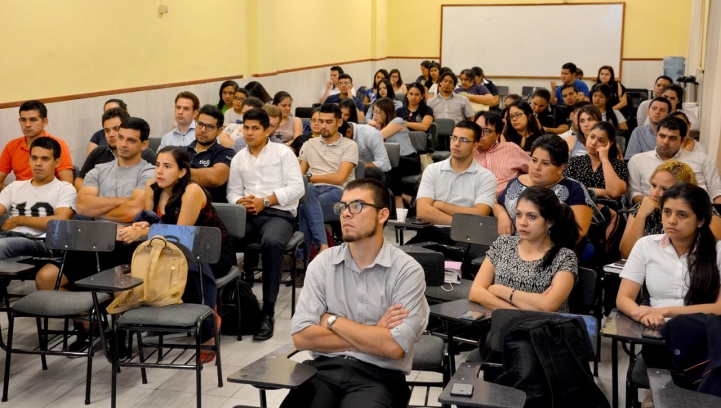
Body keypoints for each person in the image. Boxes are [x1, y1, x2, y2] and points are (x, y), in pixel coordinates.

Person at [282, 178, 429, 408]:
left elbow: (393, 347)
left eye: (357, 206)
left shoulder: (407, 271)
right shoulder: (323, 263)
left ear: (382, 215)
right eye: (342, 207)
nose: (346, 214)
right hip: (322, 371)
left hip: (379, 377)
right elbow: (302, 337)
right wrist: (374, 334)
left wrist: (331, 320)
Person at [120, 146, 236, 350]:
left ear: (182, 171)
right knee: (129, 262)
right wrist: (143, 226)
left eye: (167, 166)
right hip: (170, 249)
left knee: (188, 267)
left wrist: (145, 232)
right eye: (157, 165)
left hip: (209, 251)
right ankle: (128, 325)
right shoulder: (152, 187)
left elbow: (180, 236)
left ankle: (208, 327)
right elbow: (152, 221)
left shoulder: (192, 191)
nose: (159, 171)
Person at [36, 117, 155, 290]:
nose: (122, 144)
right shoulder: (99, 170)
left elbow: (133, 212)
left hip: (128, 244)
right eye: (121, 137)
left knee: (117, 287)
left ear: (144, 145)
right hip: (94, 241)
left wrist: (97, 209)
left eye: (131, 140)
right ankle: (85, 316)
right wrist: (122, 200)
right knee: (45, 279)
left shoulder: (149, 172)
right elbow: (82, 206)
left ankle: (96, 312)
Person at [617, 183, 721, 368]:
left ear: (700, 220)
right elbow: (624, 298)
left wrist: (663, 311)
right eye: (667, 212)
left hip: (705, 336)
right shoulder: (646, 245)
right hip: (659, 335)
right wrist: (641, 314)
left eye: (682, 215)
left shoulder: (718, 251)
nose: (671, 220)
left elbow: (719, 308)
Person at [226, 108, 305, 340]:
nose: (249, 133)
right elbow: (232, 192)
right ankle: (237, 301)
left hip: (278, 214)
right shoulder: (239, 158)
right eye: (246, 128)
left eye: (255, 128)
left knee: (271, 242)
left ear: (267, 130)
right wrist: (242, 201)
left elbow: (297, 188)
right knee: (223, 240)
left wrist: (266, 200)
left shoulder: (283, 153)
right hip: (249, 214)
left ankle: (267, 313)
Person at [407, 120, 497, 278]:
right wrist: (461, 221)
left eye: (463, 140)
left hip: (469, 237)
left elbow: (480, 214)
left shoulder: (486, 177)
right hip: (432, 232)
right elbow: (423, 211)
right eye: (453, 138)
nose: (456, 143)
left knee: (476, 264)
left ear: (475, 145)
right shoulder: (433, 170)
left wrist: (440, 205)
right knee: (405, 258)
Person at [470, 186, 579, 313]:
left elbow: (548, 305)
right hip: (502, 326)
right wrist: (516, 312)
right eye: (518, 214)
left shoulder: (564, 256)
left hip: (543, 330)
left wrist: (499, 290)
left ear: (549, 221)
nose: (522, 222)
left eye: (532, 217)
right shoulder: (503, 243)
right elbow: (476, 292)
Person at [496, 134, 595, 239]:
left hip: (554, 249)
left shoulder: (574, 189)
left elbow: (579, 232)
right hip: (512, 245)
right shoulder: (516, 182)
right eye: (534, 160)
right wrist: (502, 215)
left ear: (560, 168)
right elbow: (497, 204)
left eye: (545, 163)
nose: (536, 167)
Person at [619, 160, 721, 258]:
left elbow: (714, 253)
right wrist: (641, 215)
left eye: (664, 189)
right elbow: (627, 254)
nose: (655, 193)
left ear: (681, 190)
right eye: (653, 185)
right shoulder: (642, 207)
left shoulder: (704, 210)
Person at [0, 137, 76, 266]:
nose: (38, 163)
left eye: (44, 159)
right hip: (8, 236)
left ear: (57, 162)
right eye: (34, 158)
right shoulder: (15, 187)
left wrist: (19, 220)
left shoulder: (65, 189)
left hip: (40, 242)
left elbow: (59, 222)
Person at [298, 104, 358, 255]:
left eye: (328, 122)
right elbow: (300, 177)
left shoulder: (349, 145)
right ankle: (323, 246)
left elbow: (339, 178)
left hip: (338, 192)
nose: (323, 126)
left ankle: (307, 255)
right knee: (307, 195)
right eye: (321, 121)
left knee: (304, 207)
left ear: (339, 122)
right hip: (312, 191)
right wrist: (307, 180)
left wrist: (310, 178)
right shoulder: (309, 144)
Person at [626, 116, 721, 204]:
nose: (665, 142)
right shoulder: (638, 160)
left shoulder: (703, 160)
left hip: (700, 212)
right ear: (656, 135)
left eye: (672, 138)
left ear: (682, 140)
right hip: (652, 213)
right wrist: (658, 206)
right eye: (662, 136)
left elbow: (717, 192)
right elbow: (633, 193)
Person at [75, 107, 156, 191]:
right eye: (107, 131)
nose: (111, 134)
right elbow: (80, 180)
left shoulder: (147, 155)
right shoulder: (98, 153)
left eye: (116, 129)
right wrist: (99, 195)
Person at [0, 100, 74, 189]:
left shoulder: (58, 145)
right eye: (23, 120)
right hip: (18, 198)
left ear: (44, 122)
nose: (27, 125)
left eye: (33, 120)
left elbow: (67, 186)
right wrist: (12, 194)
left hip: (49, 197)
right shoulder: (11, 146)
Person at [368, 97, 418, 209]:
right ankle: (405, 197)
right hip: (394, 162)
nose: (375, 116)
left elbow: (377, 137)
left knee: (390, 165)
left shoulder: (398, 121)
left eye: (378, 112)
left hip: (410, 160)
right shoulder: (379, 127)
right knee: (380, 168)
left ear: (387, 112)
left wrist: (370, 126)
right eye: (373, 112)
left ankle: (398, 199)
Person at [564, 122, 628, 200]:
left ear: (610, 144)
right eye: (592, 137)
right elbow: (566, 190)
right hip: (578, 206)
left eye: (601, 140)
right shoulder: (574, 162)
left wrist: (604, 160)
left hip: (608, 209)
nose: (593, 143)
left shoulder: (619, 165)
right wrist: (602, 192)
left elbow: (615, 193)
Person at [473, 110, 529, 197]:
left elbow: (535, 170)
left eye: (487, 130)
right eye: (477, 129)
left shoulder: (510, 149)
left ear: (497, 135)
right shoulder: (466, 152)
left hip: (505, 201)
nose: (480, 134)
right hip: (472, 201)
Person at [186, 105, 235, 203]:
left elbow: (215, 178)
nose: (203, 130)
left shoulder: (225, 152)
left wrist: (178, 172)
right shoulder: (182, 151)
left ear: (219, 131)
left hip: (212, 208)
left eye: (209, 127)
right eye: (200, 124)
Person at [343, 117, 392, 186]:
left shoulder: (370, 134)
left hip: (371, 173)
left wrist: (357, 167)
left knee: (368, 172)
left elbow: (385, 164)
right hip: (346, 172)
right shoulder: (330, 137)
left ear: (348, 132)